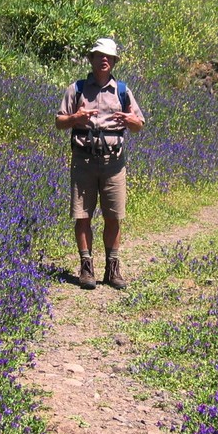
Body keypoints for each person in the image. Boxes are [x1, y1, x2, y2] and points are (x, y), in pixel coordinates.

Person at [55, 38, 144, 290]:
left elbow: (139, 125)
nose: (104, 59)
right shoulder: (77, 89)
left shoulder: (123, 91)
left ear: (114, 61)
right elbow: (59, 122)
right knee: (82, 215)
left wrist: (130, 120)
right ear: (91, 59)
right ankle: (86, 268)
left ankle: (112, 269)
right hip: (83, 160)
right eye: (99, 55)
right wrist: (75, 117)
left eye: (109, 56)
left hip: (114, 162)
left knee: (113, 216)